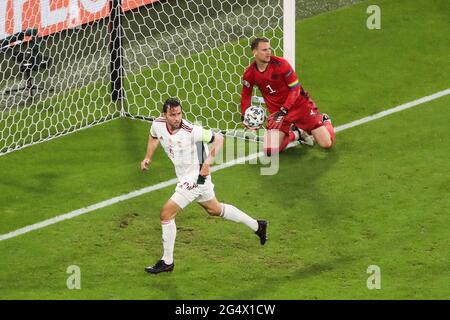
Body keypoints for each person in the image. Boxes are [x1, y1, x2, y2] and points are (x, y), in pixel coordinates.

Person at [141, 97, 268, 274]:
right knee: (214, 209)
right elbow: (154, 137)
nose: (177, 118)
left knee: (166, 214)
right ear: (165, 114)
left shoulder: (191, 130)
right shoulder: (158, 124)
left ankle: (167, 262)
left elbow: (219, 139)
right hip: (185, 176)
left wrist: (207, 163)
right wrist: (148, 157)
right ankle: (258, 226)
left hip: (197, 177)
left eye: (179, 114)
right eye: (173, 115)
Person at [241, 37, 335, 156]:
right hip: (278, 114)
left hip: (300, 107)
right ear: (254, 52)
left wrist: (284, 109)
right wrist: (245, 117)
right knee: (269, 150)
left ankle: (325, 121)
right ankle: (297, 134)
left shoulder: (281, 64)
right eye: (264, 50)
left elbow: (295, 89)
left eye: (269, 48)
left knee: (326, 144)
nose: (269, 52)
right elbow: (245, 95)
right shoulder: (250, 73)